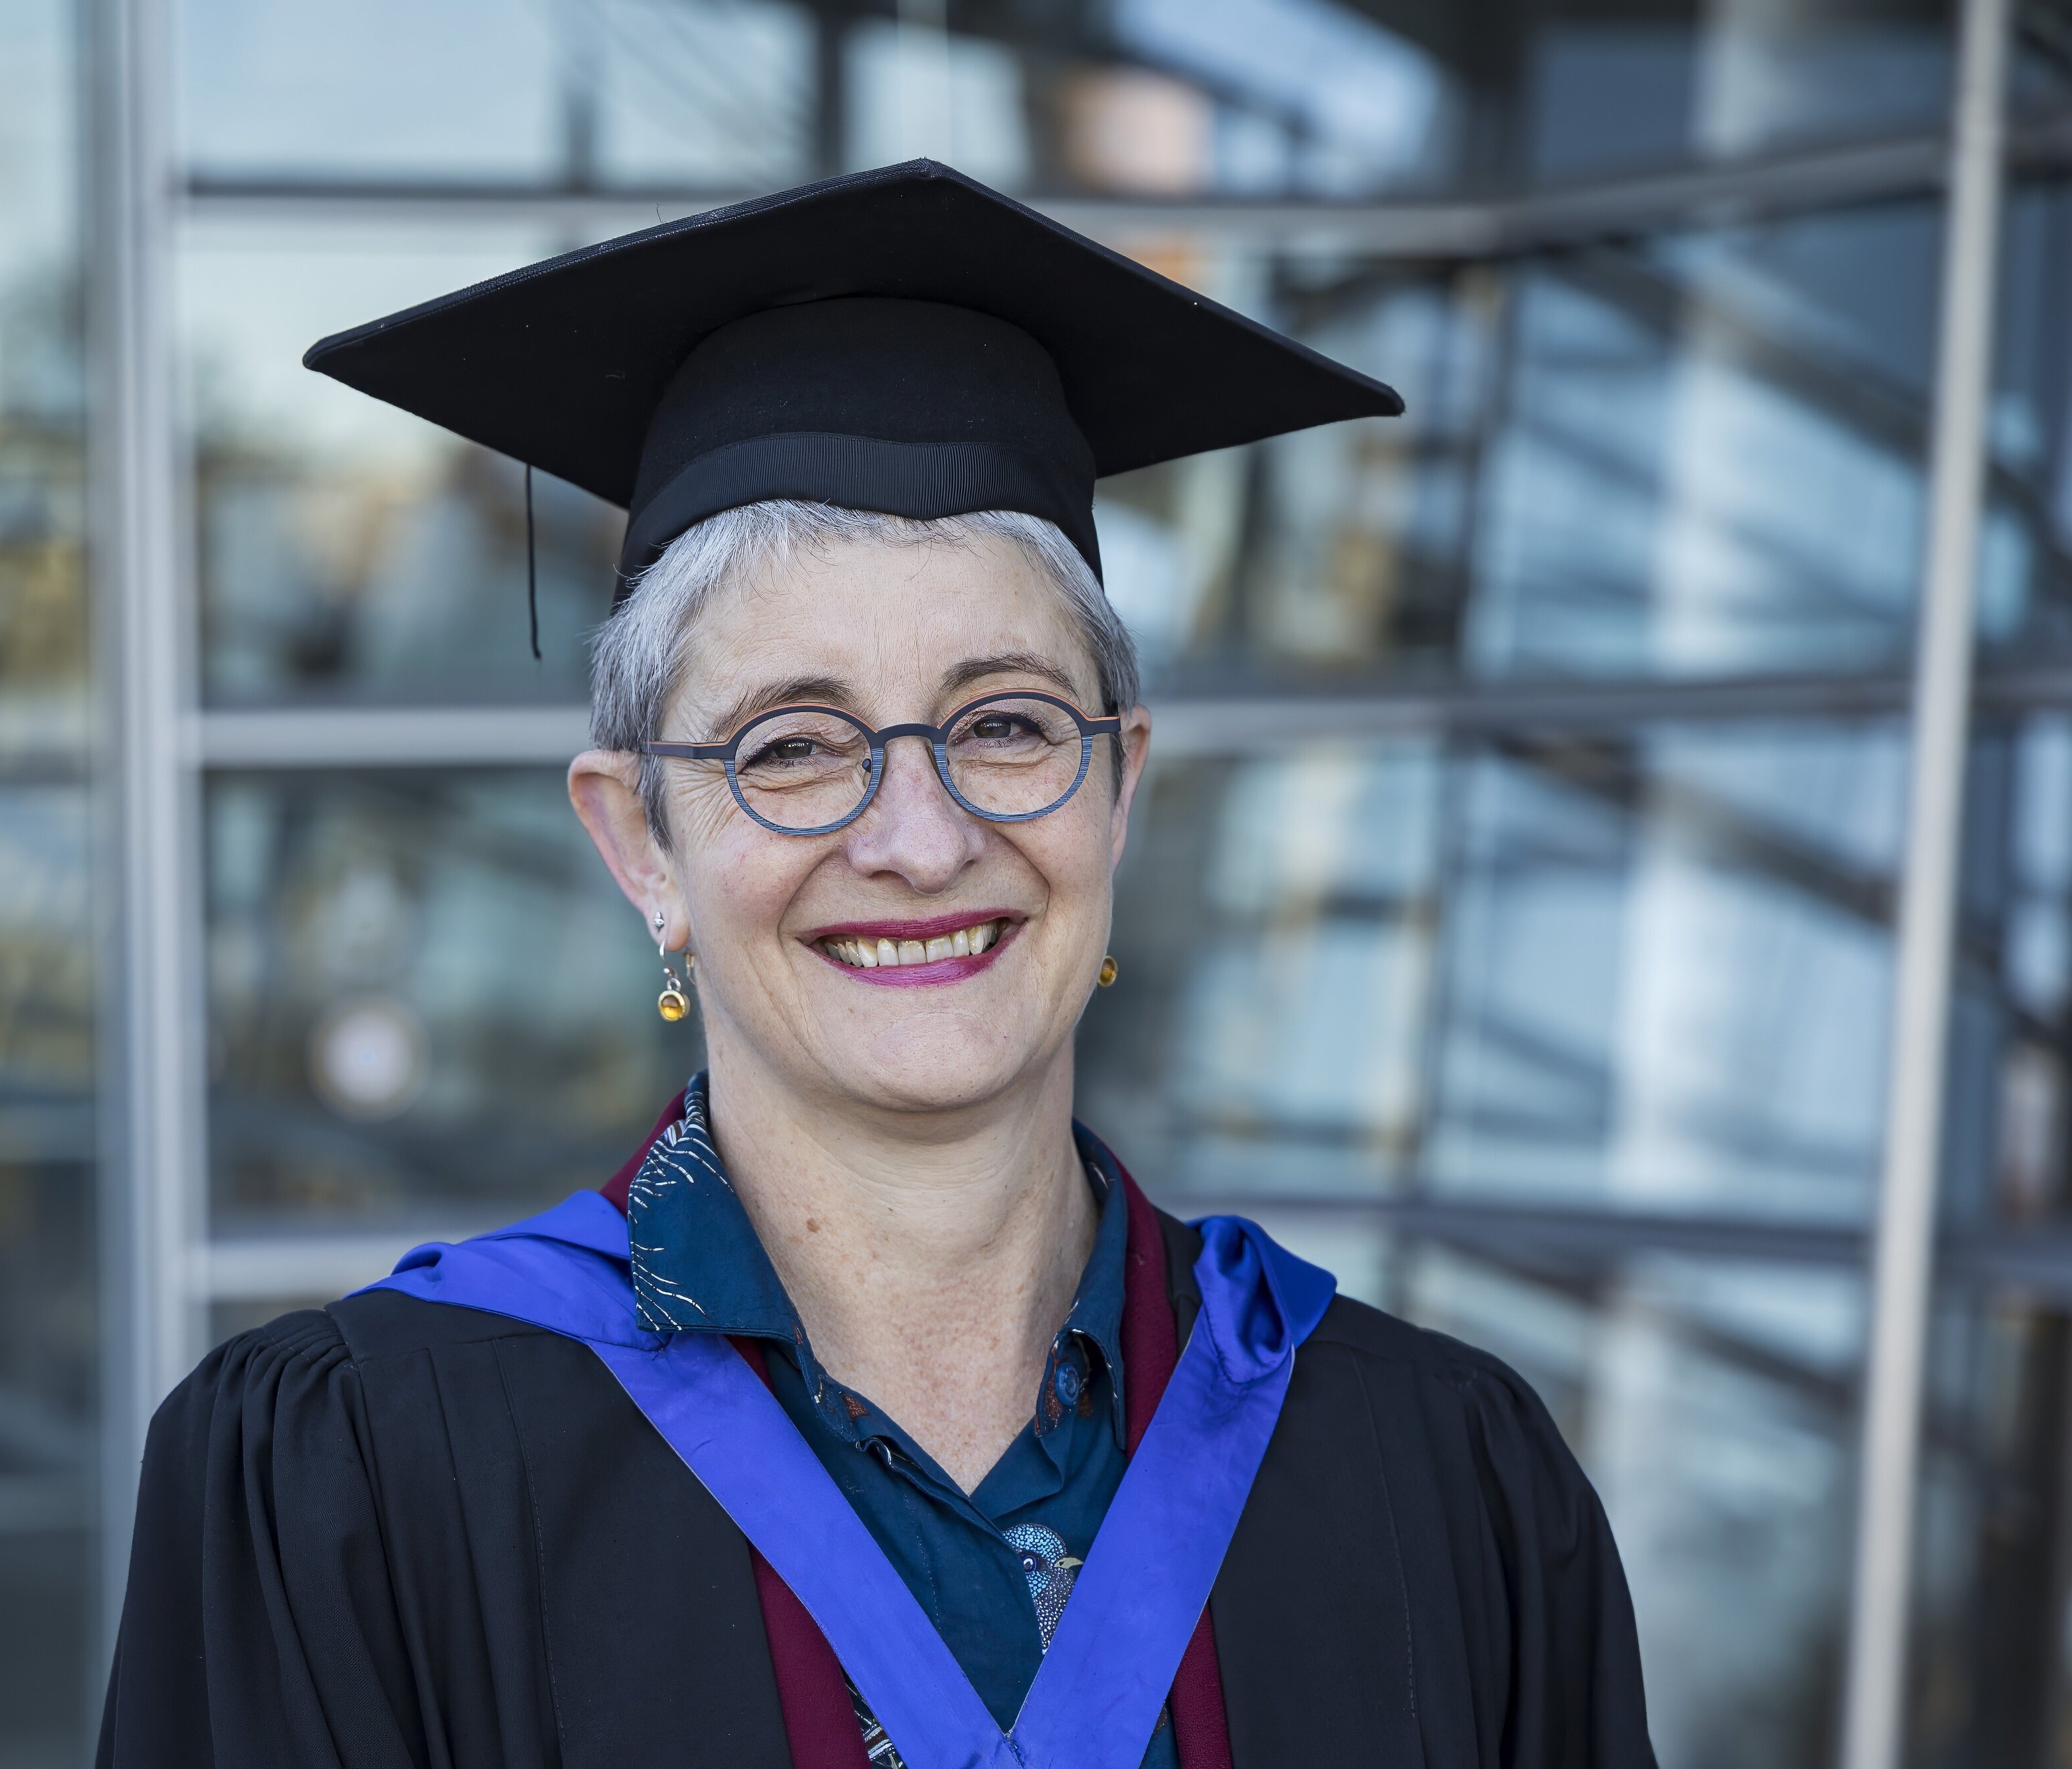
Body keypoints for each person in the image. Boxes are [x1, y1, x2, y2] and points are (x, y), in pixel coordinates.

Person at [98, 161, 1655, 1769]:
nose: (917, 838)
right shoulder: (360, 1479)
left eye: (1002, 724)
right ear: (641, 844)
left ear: (1117, 786)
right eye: (790, 745)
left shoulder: (1435, 1476)